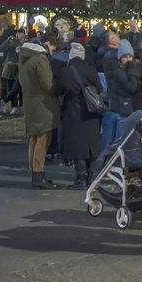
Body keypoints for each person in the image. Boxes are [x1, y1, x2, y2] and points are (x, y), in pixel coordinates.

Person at [56, 42, 103, 188]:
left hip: (74, 111)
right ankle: (90, 176)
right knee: (90, 144)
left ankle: (80, 177)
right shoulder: (91, 70)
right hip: (91, 111)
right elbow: (100, 88)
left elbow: (58, 89)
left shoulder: (67, 72)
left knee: (78, 146)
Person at [18, 34, 60, 189]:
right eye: (52, 48)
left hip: (30, 102)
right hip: (43, 104)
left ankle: (35, 172)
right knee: (43, 138)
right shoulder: (40, 59)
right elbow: (48, 84)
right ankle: (38, 172)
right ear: (47, 44)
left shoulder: (25, 58)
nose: (52, 52)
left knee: (34, 138)